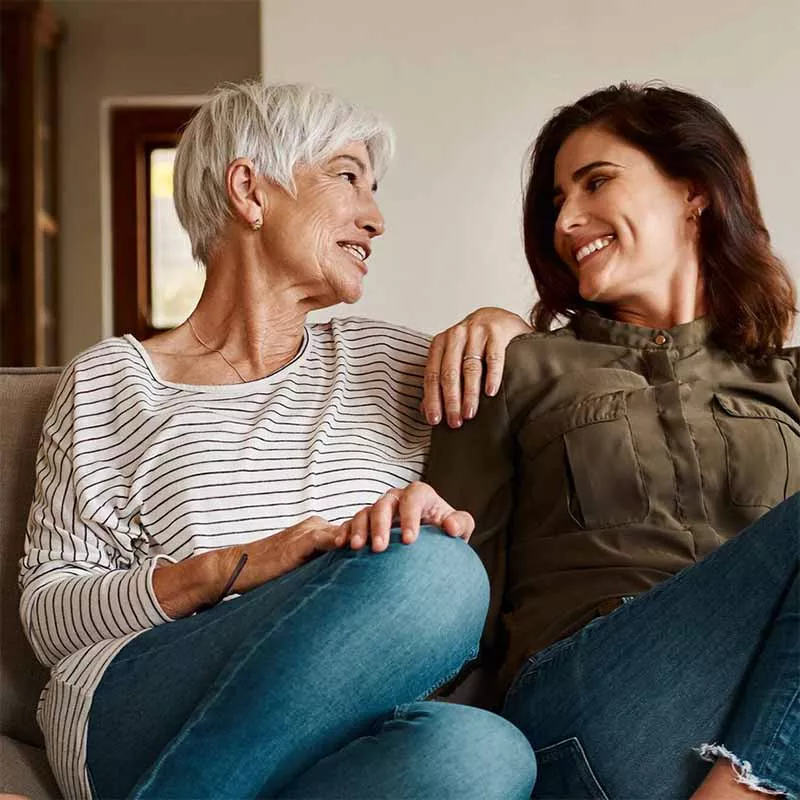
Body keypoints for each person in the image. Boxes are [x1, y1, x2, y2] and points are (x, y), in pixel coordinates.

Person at [19, 81, 535, 800]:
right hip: (139, 701)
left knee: (481, 754)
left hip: (325, 734)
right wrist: (244, 566)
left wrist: (503, 324)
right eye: (348, 176)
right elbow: (50, 615)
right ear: (249, 190)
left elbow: (538, 376)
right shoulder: (115, 380)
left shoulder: (392, 363)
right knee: (439, 576)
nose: (376, 218)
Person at [422, 83, 799, 799]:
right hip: (590, 715)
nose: (567, 218)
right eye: (557, 199)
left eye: (596, 182)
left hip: (757, 711)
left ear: (694, 190)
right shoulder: (515, 366)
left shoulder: (789, 378)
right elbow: (455, 591)